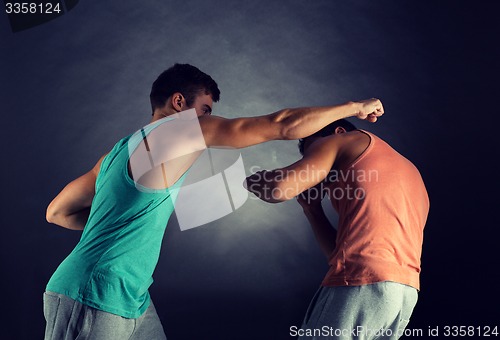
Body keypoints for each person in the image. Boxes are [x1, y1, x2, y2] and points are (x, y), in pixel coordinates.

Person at [44, 63, 384, 340]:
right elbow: (281, 125)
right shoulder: (178, 130)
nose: (207, 119)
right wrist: (355, 108)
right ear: (179, 103)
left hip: (131, 296)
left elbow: (58, 212)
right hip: (93, 293)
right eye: (204, 110)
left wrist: (118, 220)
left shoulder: (115, 154)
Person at [245, 119, 429, 339]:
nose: (315, 166)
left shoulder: (343, 140)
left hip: (361, 284)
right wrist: (312, 210)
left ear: (338, 132)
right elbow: (340, 254)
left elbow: (278, 189)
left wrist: (252, 181)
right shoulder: (408, 170)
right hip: (403, 292)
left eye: (313, 154)